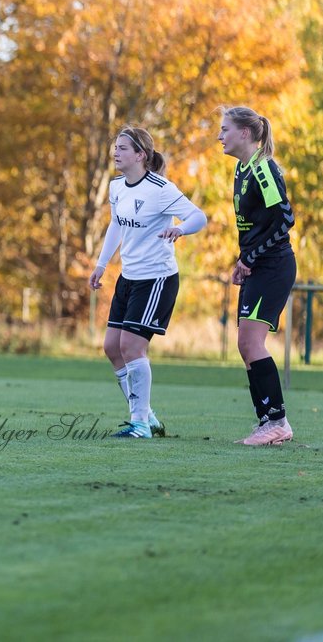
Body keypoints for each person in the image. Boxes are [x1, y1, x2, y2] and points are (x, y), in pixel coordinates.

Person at [88, 127, 206, 439]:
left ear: (141, 155)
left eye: (123, 148)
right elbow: (116, 225)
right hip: (128, 277)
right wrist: (101, 264)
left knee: (131, 347)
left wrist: (180, 230)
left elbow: (198, 217)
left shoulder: (160, 188)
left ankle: (139, 424)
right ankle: (147, 416)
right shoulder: (116, 187)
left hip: (157, 279)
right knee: (112, 348)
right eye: (116, 147)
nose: (116, 153)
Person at [219, 106, 297, 446]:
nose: (219, 136)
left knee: (252, 342)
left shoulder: (263, 169)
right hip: (256, 264)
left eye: (225, 129)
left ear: (245, 134)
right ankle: (267, 422)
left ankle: (277, 421)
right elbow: (257, 226)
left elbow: (284, 219)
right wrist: (242, 259)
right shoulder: (241, 168)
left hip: (273, 266)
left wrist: (251, 257)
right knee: (244, 344)